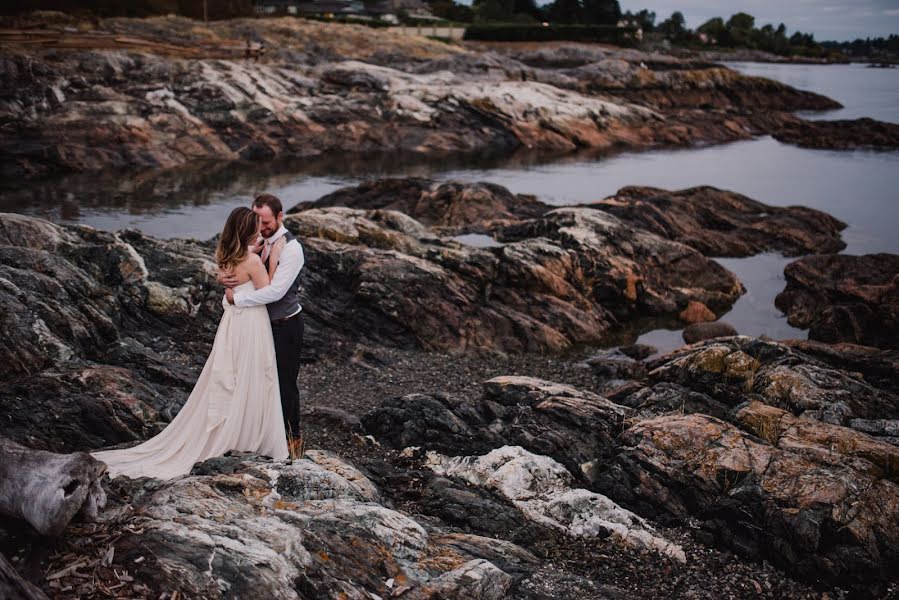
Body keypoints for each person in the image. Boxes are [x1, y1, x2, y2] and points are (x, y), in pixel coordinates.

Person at [92, 207, 288, 479]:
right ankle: (248, 435)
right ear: (248, 230)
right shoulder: (253, 260)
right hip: (252, 323)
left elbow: (232, 287)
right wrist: (274, 259)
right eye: (255, 225)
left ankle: (236, 429)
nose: (259, 229)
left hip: (232, 323)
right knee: (254, 374)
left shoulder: (226, 258)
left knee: (231, 373)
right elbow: (269, 292)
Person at [219, 193, 305, 459]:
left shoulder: (291, 248)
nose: (262, 227)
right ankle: (260, 436)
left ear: (280, 216)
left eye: (266, 222)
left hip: (284, 325)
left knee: (284, 384)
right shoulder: (255, 244)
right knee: (257, 383)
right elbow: (237, 270)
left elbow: (276, 292)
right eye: (257, 221)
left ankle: (292, 441)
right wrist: (226, 282)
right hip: (256, 329)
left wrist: (236, 298)